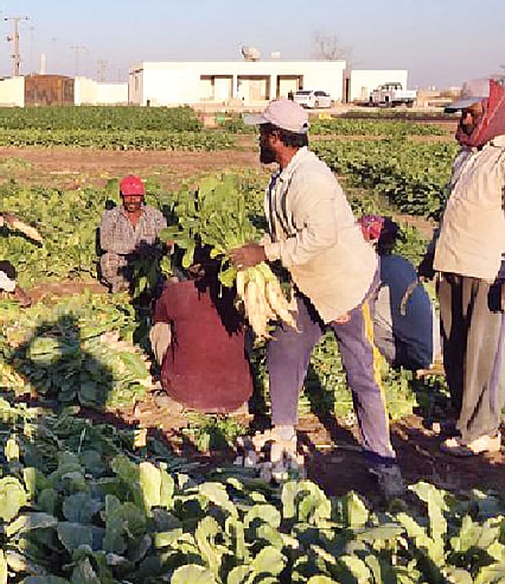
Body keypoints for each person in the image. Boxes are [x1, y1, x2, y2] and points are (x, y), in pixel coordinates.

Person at [230, 98, 404, 497]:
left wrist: (267, 253)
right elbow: (287, 236)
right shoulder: (284, 177)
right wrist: (256, 248)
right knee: (284, 344)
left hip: (346, 286)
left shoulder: (310, 179)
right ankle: (284, 435)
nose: (257, 138)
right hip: (311, 284)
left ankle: (384, 462)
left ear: (276, 137)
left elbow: (320, 237)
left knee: (361, 371)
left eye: (262, 132)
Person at [419, 78, 505, 457]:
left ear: (495, 111)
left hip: (487, 267)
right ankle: (463, 416)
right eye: (464, 112)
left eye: (475, 112)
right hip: (454, 262)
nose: (467, 119)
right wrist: (432, 252)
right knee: (455, 349)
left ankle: (483, 429)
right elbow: (453, 213)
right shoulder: (468, 155)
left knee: (481, 354)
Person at [150, 248, 252, 413]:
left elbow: (158, 317)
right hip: (237, 394)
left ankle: (174, 380)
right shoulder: (240, 292)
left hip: (184, 391)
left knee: (161, 326)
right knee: (246, 330)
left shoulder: (177, 292)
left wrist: (168, 289)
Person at [358, 215, 438, 372]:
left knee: (360, 319)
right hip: (431, 348)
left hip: (411, 355)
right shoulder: (402, 263)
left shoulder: (375, 267)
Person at [97, 175, 167, 293]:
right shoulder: (110, 216)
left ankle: (148, 287)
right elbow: (105, 243)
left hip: (148, 260)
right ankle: (121, 285)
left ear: (142, 197)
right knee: (107, 260)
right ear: (121, 197)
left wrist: (161, 247)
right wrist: (133, 249)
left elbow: (164, 238)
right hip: (122, 261)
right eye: (127, 197)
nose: (132, 201)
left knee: (157, 274)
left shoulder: (155, 216)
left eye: (136, 197)